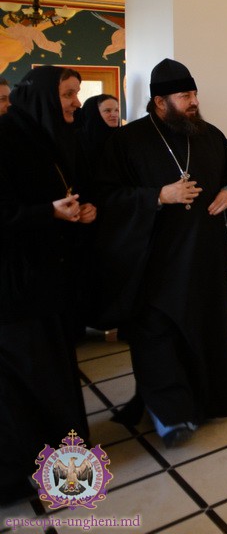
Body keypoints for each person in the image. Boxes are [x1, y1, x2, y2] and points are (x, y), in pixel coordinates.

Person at [94, 59, 227, 447]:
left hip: (205, 258)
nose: (194, 101)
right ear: (160, 102)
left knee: (208, 329)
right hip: (154, 260)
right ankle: (170, 415)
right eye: (185, 95)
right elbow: (106, 195)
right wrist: (158, 195)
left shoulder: (209, 134)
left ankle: (213, 401)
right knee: (159, 333)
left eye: (194, 94)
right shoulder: (127, 141)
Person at [0, 66, 94, 502]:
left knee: (51, 375)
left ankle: (61, 462)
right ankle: (21, 471)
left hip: (44, 283)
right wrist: (50, 213)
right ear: (42, 98)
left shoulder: (43, 135)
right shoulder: (6, 137)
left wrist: (79, 211)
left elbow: (58, 191)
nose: (76, 102)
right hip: (15, 288)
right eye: (68, 94)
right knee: (26, 382)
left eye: (77, 93)